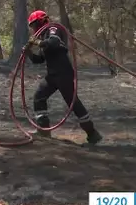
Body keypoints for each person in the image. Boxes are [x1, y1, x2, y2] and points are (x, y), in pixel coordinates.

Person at [24, 10, 103, 145]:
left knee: (73, 103)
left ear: (41, 22)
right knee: (39, 97)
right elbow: (40, 60)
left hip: (64, 73)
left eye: (34, 25)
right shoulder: (43, 37)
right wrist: (29, 53)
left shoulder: (53, 28)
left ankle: (92, 133)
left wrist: (37, 42)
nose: (34, 29)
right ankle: (43, 131)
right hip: (52, 75)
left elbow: (53, 42)